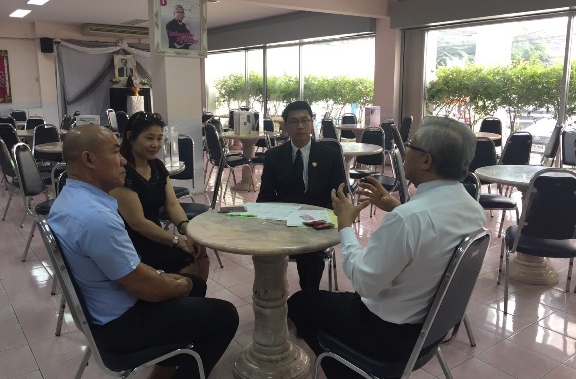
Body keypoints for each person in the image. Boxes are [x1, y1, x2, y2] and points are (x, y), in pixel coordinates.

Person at [287, 116, 486, 379]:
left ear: (426, 161)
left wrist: (345, 226)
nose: (404, 151)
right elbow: (430, 232)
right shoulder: (473, 209)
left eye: (410, 146)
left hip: (388, 334)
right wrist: (396, 207)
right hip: (430, 332)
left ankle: (348, 369)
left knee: (299, 304)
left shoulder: (408, 219)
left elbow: (364, 283)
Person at [48, 124, 238, 379]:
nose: (123, 160)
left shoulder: (69, 199)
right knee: (225, 315)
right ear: (89, 159)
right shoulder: (94, 217)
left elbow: (130, 272)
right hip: (120, 325)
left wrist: (168, 278)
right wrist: (177, 285)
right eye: (115, 152)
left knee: (195, 285)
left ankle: (164, 370)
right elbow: (144, 287)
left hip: (106, 309)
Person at [257, 100, 346, 291]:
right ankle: (273, 296)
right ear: (286, 126)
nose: (300, 126)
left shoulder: (330, 156)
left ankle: (308, 299)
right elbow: (265, 197)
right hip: (283, 223)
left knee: (311, 258)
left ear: (312, 122)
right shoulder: (273, 156)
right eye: (294, 121)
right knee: (263, 252)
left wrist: (327, 220)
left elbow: (340, 196)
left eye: (305, 120)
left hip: (316, 224)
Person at [109, 111, 209, 280]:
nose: (155, 144)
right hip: (132, 243)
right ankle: (179, 295)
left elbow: (172, 205)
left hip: (156, 235)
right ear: (131, 137)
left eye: (159, 138)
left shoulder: (157, 166)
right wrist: (178, 241)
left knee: (201, 257)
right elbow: (138, 223)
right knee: (188, 261)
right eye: (149, 138)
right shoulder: (122, 172)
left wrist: (188, 231)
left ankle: (192, 295)